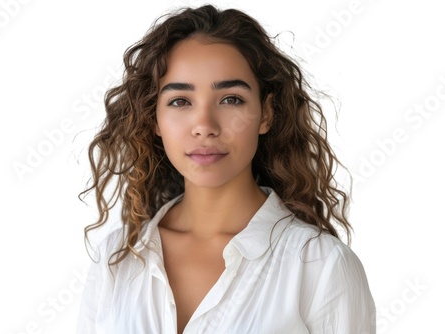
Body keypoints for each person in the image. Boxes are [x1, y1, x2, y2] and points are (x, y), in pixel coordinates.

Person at [77, 4, 376, 334]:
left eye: (231, 99)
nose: (204, 126)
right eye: (180, 101)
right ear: (154, 119)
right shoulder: (117, 259)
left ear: (266, 114)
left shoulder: (322, 266)